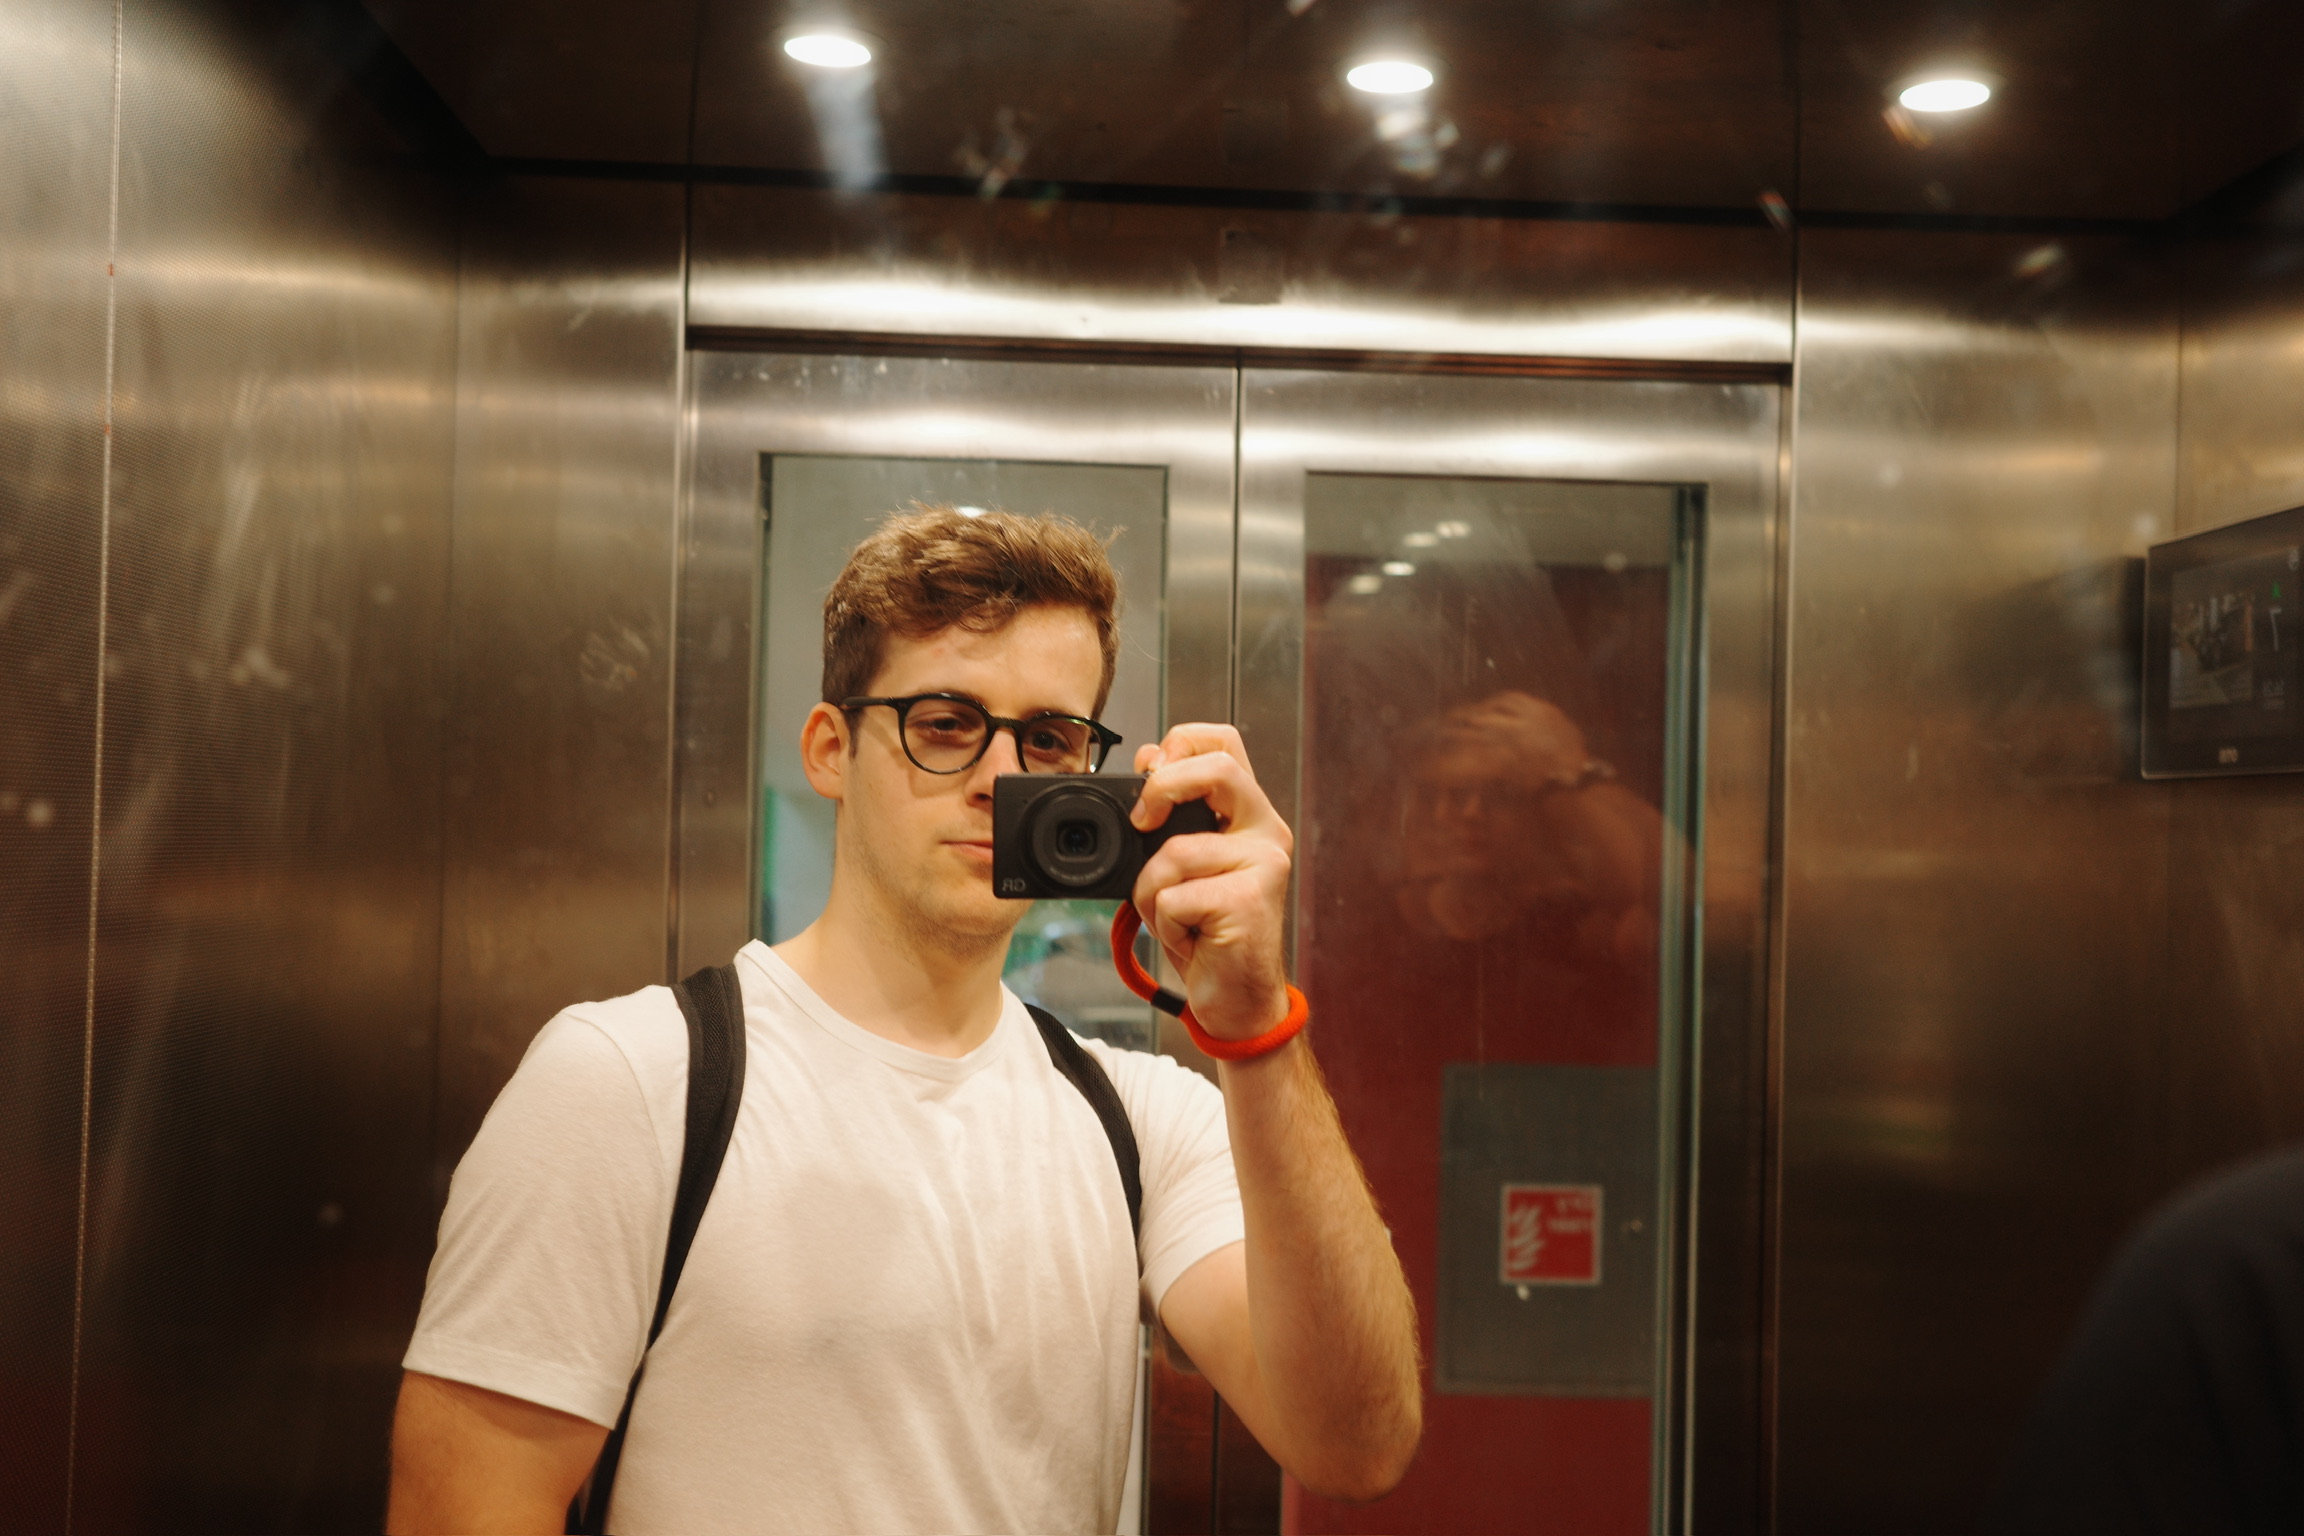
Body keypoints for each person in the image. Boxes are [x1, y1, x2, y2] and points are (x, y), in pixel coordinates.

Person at [385, 507, 1423, 1534]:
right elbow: (464, 1508)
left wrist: (1255, 1031)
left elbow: (1357, 1445)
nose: (1000, 779)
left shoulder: (1142, 1123)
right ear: (830, 751)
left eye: (1050, 739)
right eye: (944, 725)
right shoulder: (630, 1081)